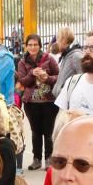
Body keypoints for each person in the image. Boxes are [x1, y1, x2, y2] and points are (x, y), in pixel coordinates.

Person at [17, 34, 59, 170]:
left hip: (49, 102)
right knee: (36, 132)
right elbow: (22, 81)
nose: (33, 47)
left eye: (35, 44)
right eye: (30, 45)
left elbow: (58, 76)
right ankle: (36, 159)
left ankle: (48, 159)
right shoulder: (22, 62)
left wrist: (47, 77)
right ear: (26, 46)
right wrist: (32, 74)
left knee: (48, 132)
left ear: (40, 46)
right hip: (31, 103)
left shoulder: (49, 59)